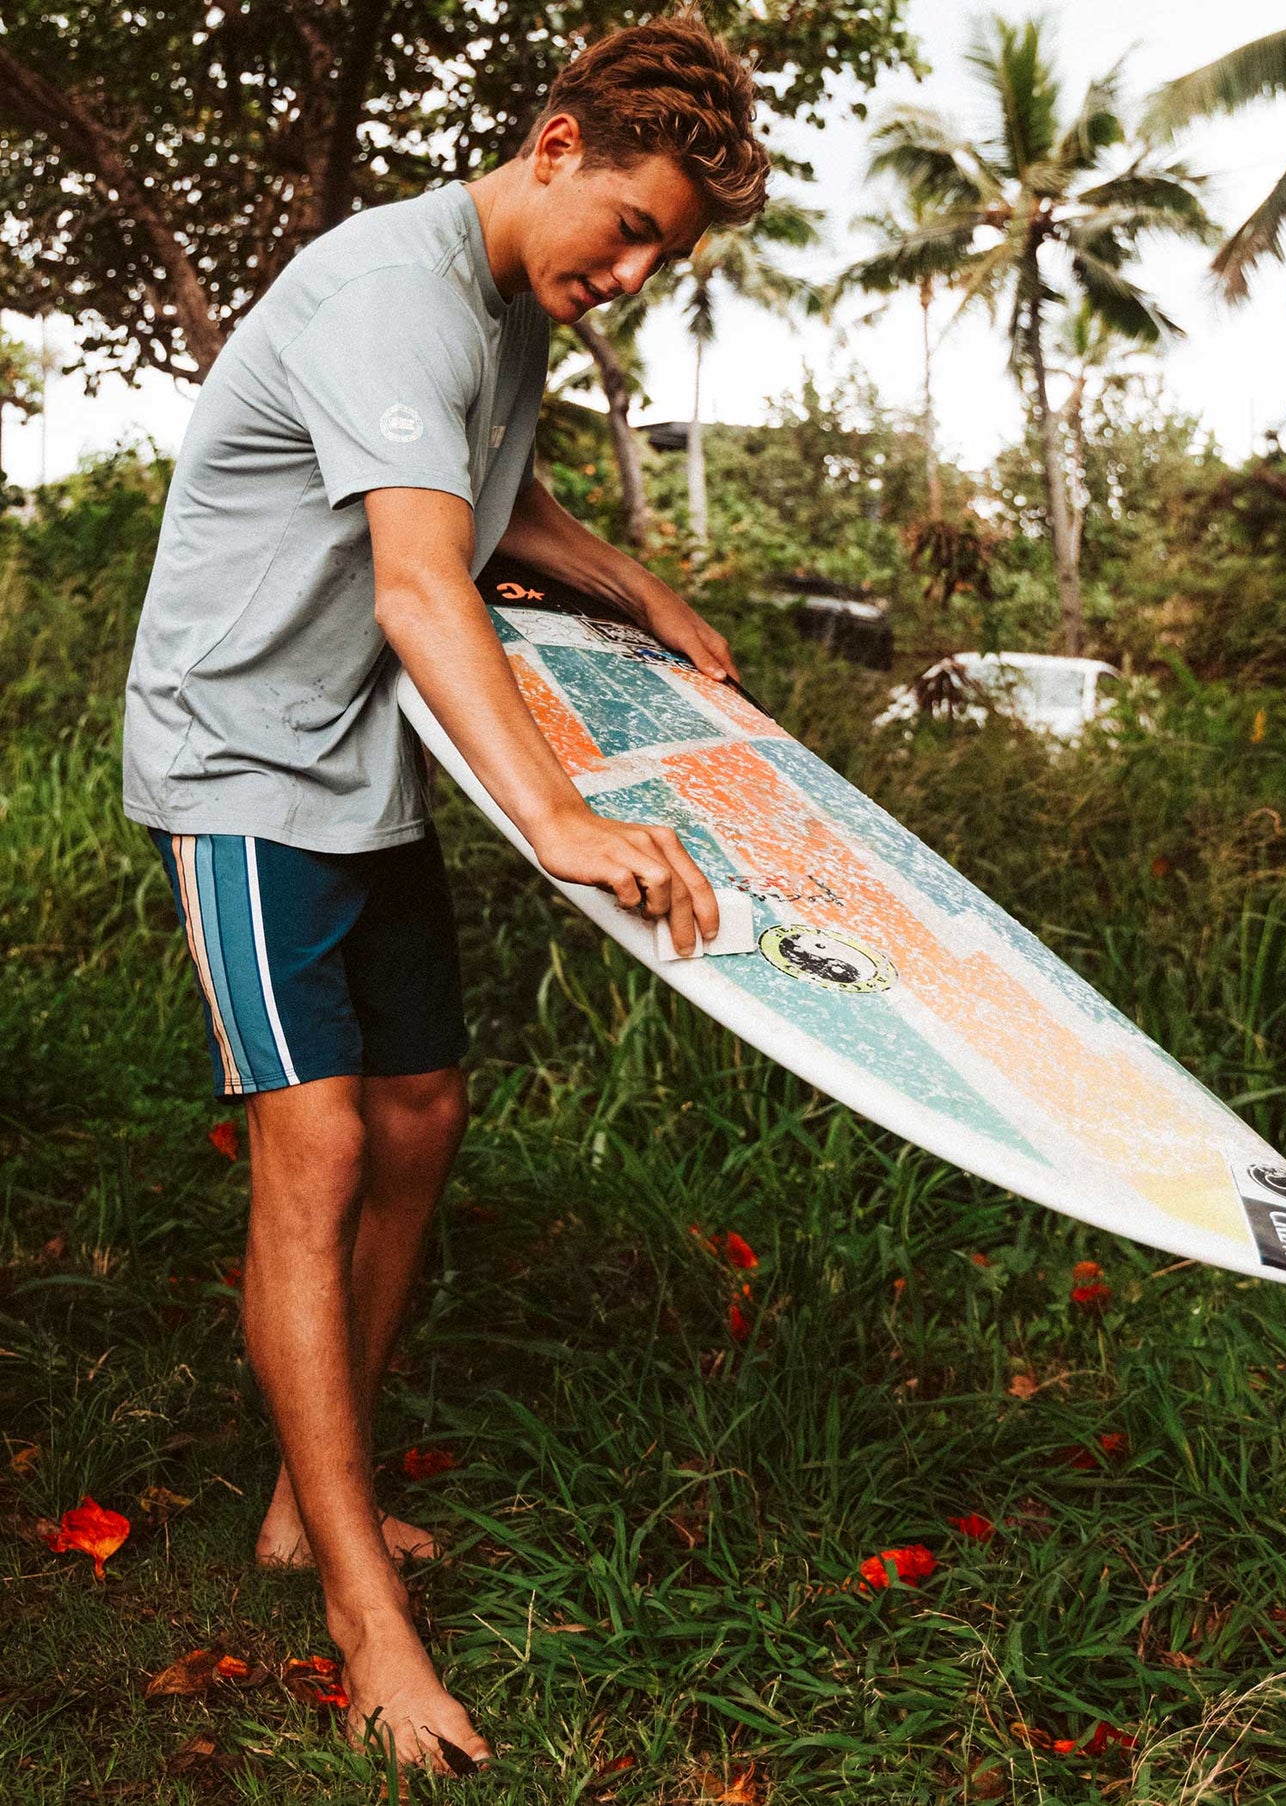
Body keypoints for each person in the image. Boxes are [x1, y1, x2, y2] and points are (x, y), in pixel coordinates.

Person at [121, 6, 769, 1774]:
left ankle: (292, 1503)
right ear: (554, 144)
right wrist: (557, 817)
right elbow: (422, 584)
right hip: (243, 756)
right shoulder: (393, 292)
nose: (633, 271)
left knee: (418, 1111)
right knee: (315, 1140)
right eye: (628, 225)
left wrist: (627, 579)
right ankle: (359, 1607)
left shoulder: (499, 309)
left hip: (360, 756)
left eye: (665, 253)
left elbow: (492, 493)